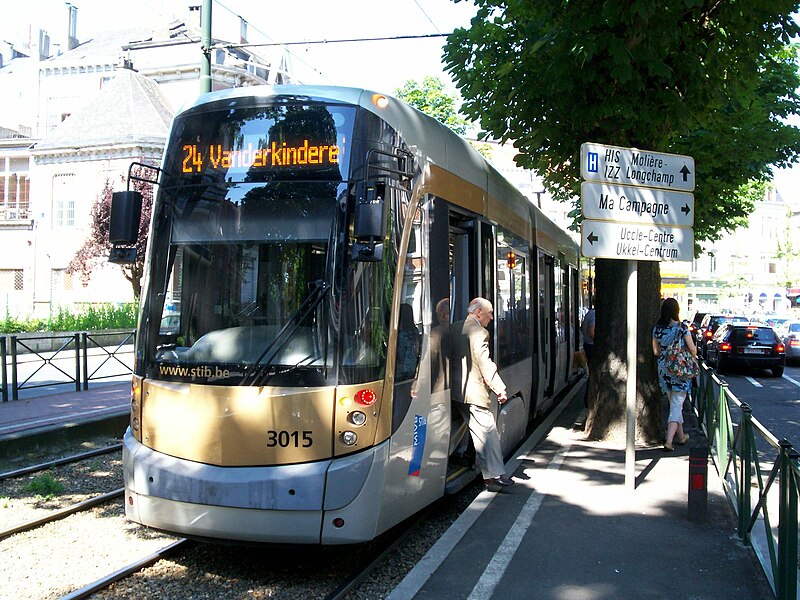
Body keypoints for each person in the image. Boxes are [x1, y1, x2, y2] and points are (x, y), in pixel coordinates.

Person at [451, 297, 514, 489]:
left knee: (464, 429)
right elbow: (484, 362)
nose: (492, 317)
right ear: (478, 312)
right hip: (472, 392)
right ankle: (494, 475)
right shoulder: (479, 332)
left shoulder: (453, 328)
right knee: (487, 431)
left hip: (454, 392)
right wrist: (499, 388)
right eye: (490, 313)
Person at [652, 297, 697, 451]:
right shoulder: (682, 328)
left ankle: (681, 436)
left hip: (664, 369)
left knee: (674, 403)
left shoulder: (657, 328)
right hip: (680, 370)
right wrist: (693, 354)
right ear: (676, 311)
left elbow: (655, 351)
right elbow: (692, 349)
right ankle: (669, 441)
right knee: (677, 406)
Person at [580, 306, 596, 408]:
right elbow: (591, 331)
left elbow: (582, 328)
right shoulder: (594, 314)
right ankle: (588, 399)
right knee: (593, 373)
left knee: (591, 373)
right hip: (592, 346)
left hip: (587, 345)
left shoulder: (589, 313)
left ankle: (588, 398)